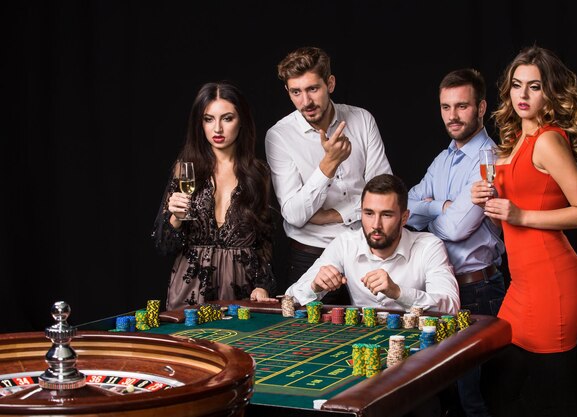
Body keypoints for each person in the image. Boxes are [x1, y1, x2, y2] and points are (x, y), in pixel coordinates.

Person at [471, 46, 577, 417]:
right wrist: (490, 205)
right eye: (517, 85)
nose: (523, 95)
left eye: (534, 86)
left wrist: (520, 214)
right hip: (523, 285)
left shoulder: (548, 140)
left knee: (552, 398)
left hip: (554, 284)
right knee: (501, 390)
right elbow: (507, 224)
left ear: (550, 94)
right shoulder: (513, 144)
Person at [406, 69, 507, 417]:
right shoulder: (443, 158)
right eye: (445, 107)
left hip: (477, 289)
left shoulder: (490, 159)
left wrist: (433, 213)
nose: (452, 115)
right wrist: (439, 205)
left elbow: (456, 228)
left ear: (480, 108)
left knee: (473, 397)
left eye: (461, 106)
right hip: (441, 288)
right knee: (441, 392)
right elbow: (407, 207)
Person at [265, 46, 392, 304]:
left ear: (330, 83)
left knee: (372, 337)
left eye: (313, 89)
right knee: (309, 343)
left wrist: (333, 215)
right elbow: (294, 215)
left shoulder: (363, 120)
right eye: (296, 92)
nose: (306, 102)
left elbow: (385, 193)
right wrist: (328, 165)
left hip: (363, 253)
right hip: (310, 257)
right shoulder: (279, 136)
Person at [152, 81, 278, 311]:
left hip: (241, 290)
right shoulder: (185, 169)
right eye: (208, 119)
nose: (217, 129)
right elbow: (163, 245)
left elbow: (265, 242)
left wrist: (263, 286)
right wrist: (176, 218)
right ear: (199, 124)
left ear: (242, 122)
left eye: (227, 118)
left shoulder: (258, 174)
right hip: (190, 290)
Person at [286, 174, 460, 314]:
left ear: (404, 218)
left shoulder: (429, 246)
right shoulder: (345, 243)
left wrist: (398, 292)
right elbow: (290, 298)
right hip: (360, 344)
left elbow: (450, 306)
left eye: (386, 215)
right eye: (369, 213)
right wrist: (314, 286)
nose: (376, 225)